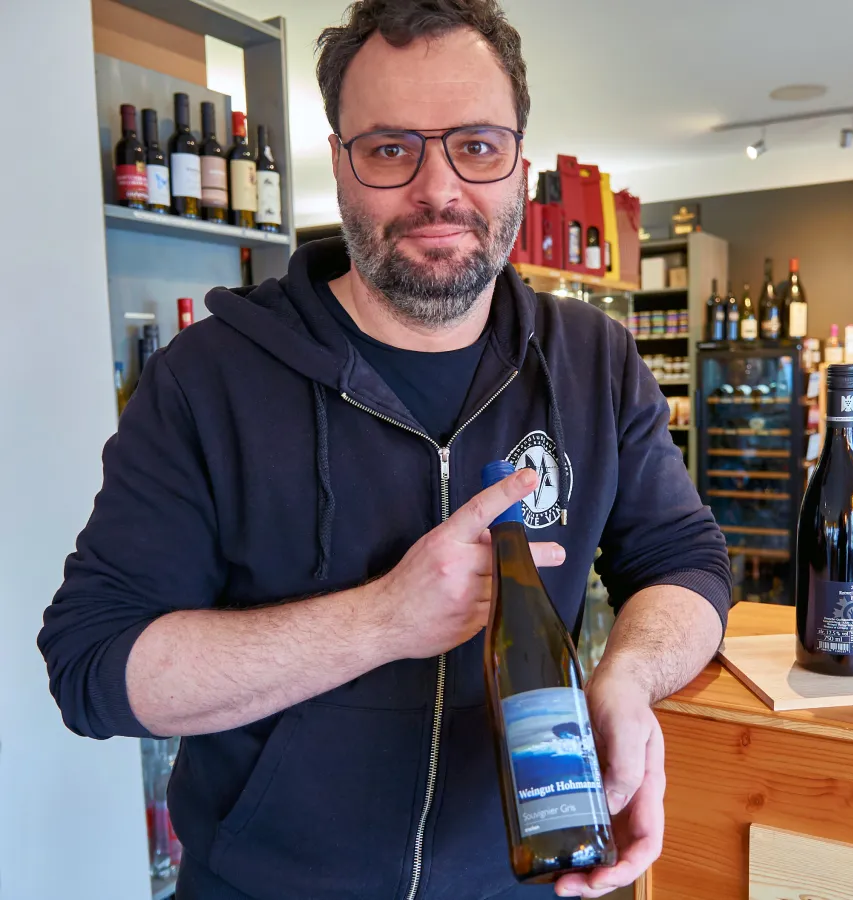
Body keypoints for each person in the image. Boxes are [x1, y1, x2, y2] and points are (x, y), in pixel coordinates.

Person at [38, 1, 731, 898]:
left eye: (476, 146)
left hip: (529, 881)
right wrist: (381, 620)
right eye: (391, 148)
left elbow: (686, 560)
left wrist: (629, 678)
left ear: (520, 160)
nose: (438, 189)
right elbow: (93, 666)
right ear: (338, 163)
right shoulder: (206, 380)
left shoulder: (594, 361)